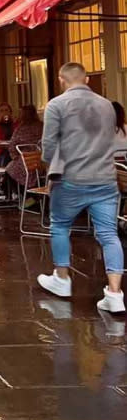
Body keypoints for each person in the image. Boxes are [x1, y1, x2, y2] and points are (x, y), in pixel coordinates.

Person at [38, 62, 124, 314]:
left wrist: (51, 169)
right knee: (109, 235)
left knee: (60, 225)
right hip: (105, 178)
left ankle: (62, 279)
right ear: (86, 80)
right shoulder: (106, 105)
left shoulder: (56, 105)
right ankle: (115, 293)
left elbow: (48, 147)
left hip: (71, 178)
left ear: (61, 79)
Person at [3, 104, 43, 193]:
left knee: (9, 169)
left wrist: (15, 156)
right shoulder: (41, 126)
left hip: (25, 160)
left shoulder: (20, 129)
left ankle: (18, 195)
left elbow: (12, 146)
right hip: (41, 161)